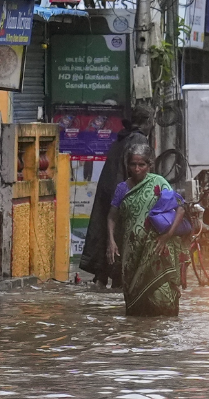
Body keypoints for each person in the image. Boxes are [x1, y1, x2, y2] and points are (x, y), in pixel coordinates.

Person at [107, 142, 187, 317]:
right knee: (135, 299)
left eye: (141, 164)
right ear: (127, 165)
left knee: (162, 295)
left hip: (157, 249)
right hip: (132, 253)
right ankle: (138, 334)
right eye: (133, 164)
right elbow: (112, 216)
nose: (136, 169)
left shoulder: (159, 183)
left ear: (149, 166)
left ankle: (159, 334)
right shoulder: (122, 189)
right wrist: (111, 241)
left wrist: (168, 235)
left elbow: (180, 207)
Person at [80, 107, 152, 289]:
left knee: (107, 240)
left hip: (109, 194)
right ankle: (117, 283)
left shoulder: (121, 138)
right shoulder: (138, 139)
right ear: (148, 122)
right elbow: (135, 172)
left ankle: (103, 279)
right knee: (122, 244)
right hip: (123, 196)